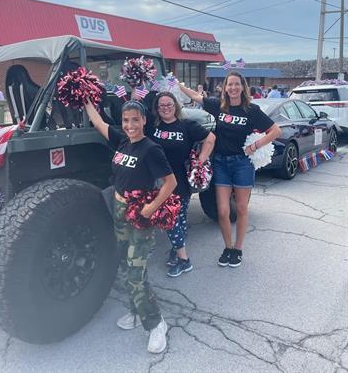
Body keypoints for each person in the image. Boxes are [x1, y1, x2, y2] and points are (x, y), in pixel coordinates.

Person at [84, 99, 177, 354]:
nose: (130, 125)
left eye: (135, 120)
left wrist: (151, 207)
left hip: (140, 214)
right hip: (119, 210)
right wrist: (85, 99)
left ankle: (156, 323)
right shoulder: (122, 141)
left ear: (144, 120)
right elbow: (99, 123)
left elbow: (170, 183)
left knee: (136, 271)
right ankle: (136, 312)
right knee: (126, 264)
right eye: (126, 121)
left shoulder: (151, 149)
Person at [179, 72, 281, 268]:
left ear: (243, 87)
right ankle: (228, 247)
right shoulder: (218, 106)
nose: (233, 88)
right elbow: (196, 97)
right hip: (221, 163)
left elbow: (276, 131)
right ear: (224, 88)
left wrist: (256, 145)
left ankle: (238, 249)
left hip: (242, 163)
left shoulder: (251, 110)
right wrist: (179, 85)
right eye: (229, 85)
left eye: (236, 84)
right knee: (223, 211)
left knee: (241, 208)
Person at [148, 91, 215, 277]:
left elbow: (210, 139)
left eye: (169, 104)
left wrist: (200, 160)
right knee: (176, 220)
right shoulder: (152, 128)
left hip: (180, 182)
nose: (166, 108)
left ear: (175, 106)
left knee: (173, 220)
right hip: (159, 181)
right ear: (157, 109)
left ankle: (184, 260)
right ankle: (177, 252)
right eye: (162, 105)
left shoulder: (186, 125)